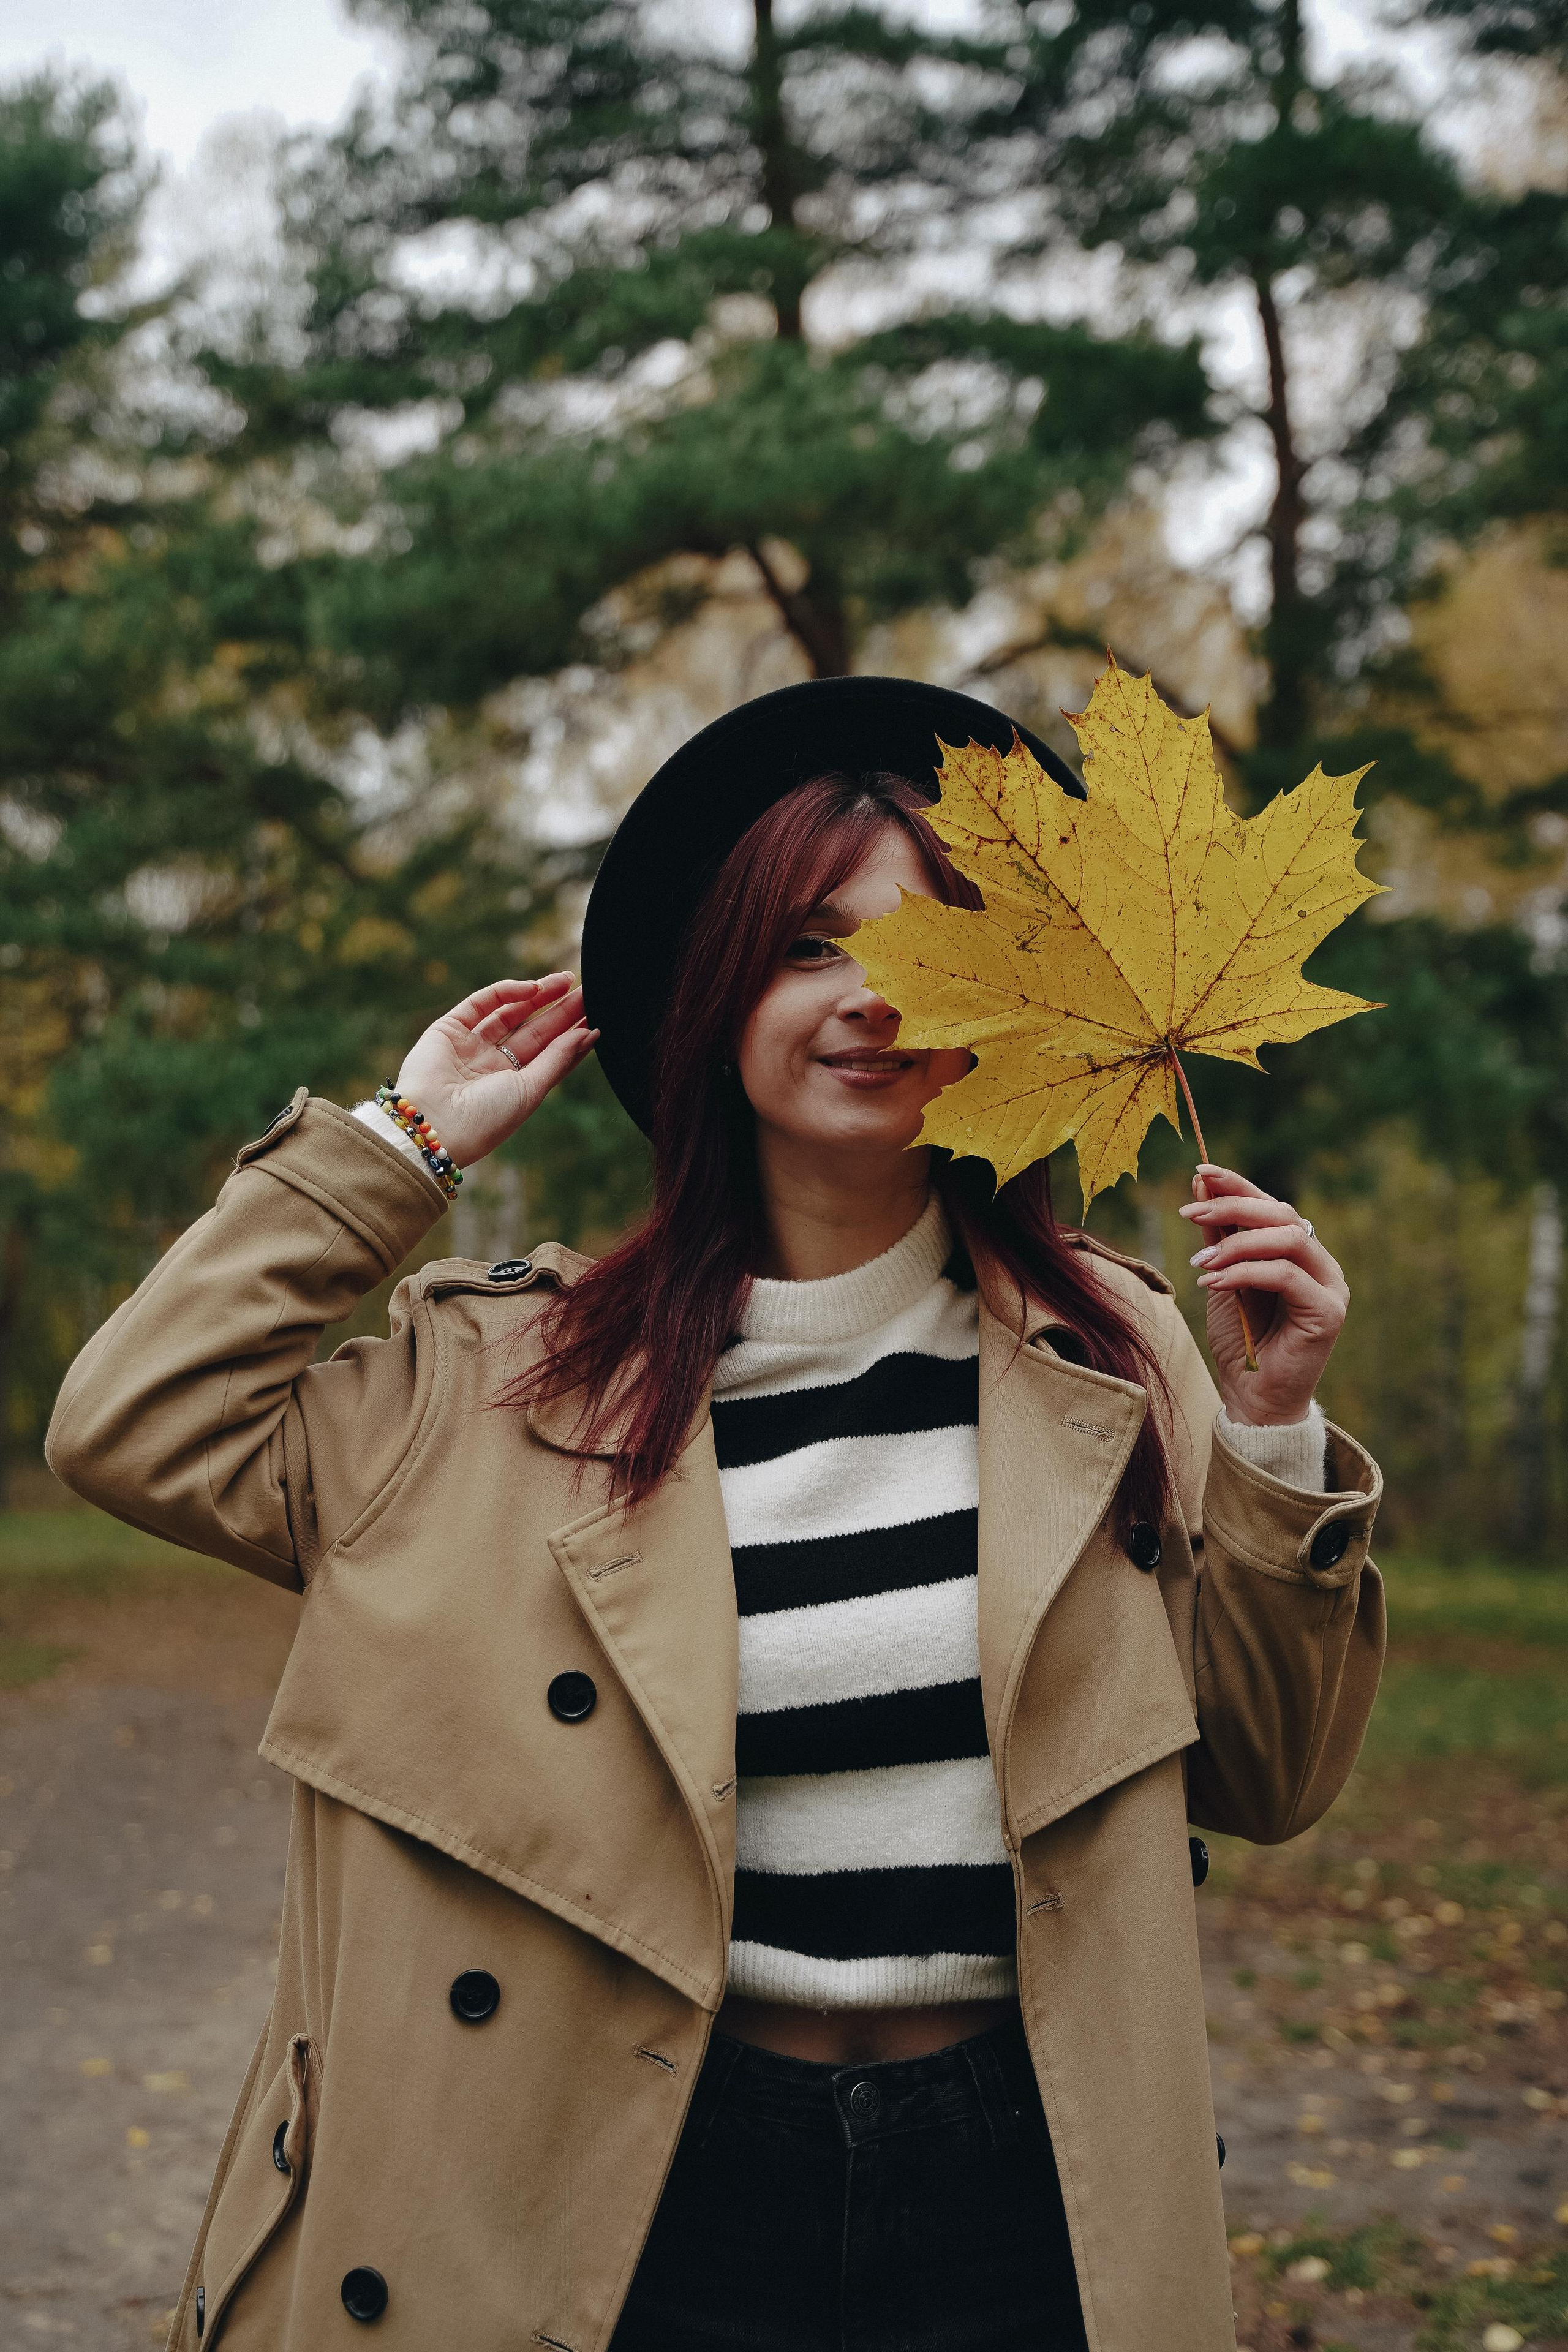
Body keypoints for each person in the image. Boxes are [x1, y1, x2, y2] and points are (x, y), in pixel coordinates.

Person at [47, 677, 1384, 2352]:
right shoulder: (490, 1384)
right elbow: (133, 1425)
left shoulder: (1119, 1358)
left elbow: (1269, 1775)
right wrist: (397, 1151)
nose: (874, 1000)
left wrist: (1267, 1434)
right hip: (626, 2160)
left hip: (1020, 2175)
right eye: (810, 944)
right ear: (712, 989)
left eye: (936, 952)